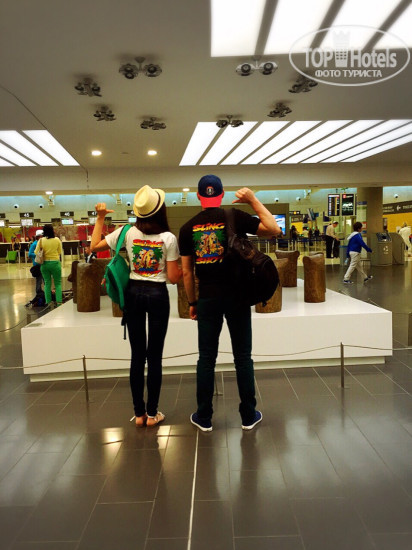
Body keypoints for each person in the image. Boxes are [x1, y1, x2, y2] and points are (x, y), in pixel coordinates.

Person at [179, 175, 281, 432]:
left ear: (198, 196)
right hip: (238, 296)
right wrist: (252, 199)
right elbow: (273, 229)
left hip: (208, 298)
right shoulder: (234, 216)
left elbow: (187, 272)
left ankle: (204, 417)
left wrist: (192, 302)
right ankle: (248, 416)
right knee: (243, 357)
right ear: (222, 194)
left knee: (206, 358)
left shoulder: (188, 227)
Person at [90, 186, 181, 428]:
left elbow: (94, 246)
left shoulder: (127, 232)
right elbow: (173, 277)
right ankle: (152, 414)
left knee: (137, 355)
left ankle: (139, 414)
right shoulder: (168, 238)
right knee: (155, 356)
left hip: (133, 294)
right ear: (161, 210)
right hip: (158, 295)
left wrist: (100, 218)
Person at [35, 224, 63, 306]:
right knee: (58, 284)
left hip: (45, 264)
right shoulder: (57, 240)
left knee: (47, 283)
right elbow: (59, 251)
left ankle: (48, 303)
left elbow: (36, 252)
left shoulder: (41, 240)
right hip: (55, 263)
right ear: (52, 231)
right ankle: (59, 302)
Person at [28, 229, 44, 296]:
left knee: (45, 279)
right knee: (39, 279)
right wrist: (38, 255)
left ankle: (44, 291)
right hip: (37, 264)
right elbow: (30, 254)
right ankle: (38, 292)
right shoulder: (34, 244)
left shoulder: (42, 243)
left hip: (43, 264)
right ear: (38, 237)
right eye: (41, 236)